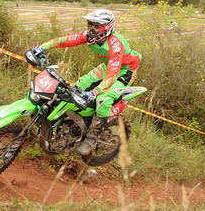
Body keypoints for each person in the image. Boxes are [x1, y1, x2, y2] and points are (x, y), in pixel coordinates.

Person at [25, 9, 142, 156]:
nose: (91, 29)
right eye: (90, 25)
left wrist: (95, 92)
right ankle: (69, 122)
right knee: (78, 86)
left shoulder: (116, 45)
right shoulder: (89, 36)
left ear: (107, 28)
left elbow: (112, 75)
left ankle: (94, 136)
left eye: (96, 26)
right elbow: (64, 40)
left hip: (125, 71)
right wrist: (41, 48)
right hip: (108, 65)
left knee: (103, 99)